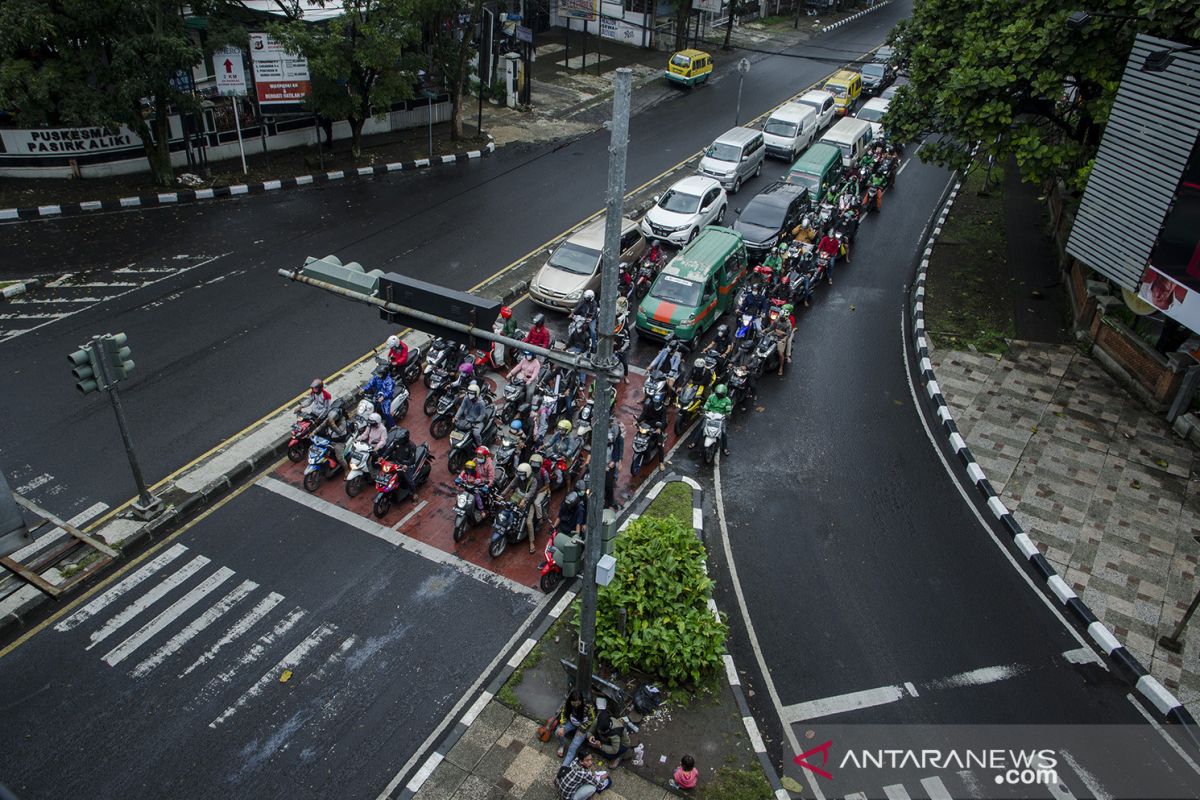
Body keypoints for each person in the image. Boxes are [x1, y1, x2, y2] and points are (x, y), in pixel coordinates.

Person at [555, 690, 596, 765]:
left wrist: (582, 729)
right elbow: (563, 713)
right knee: (558, 732)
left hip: (583, 727)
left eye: (578, 704)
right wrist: (562, 726)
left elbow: (592, 719)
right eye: (574, 704)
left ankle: (564, 767)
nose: (576, 706)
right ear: (570, 701)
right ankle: (562, 745)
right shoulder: (567, 704)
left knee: (572, 748)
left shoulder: (588, 706)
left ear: (581, 701)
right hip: (571, 723)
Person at [689, 385, 732, 456]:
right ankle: (694, 442)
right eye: (717, 394)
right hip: (710, 415)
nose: (718, 396)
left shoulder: (727, 400)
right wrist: (704, 411)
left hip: (720, 417)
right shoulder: (711, 397)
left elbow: (728, 411)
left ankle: (725, 447)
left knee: (723, 432)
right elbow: (706, 406)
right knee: (701, 428)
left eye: (720, 395)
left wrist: (727, 415)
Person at [454, 382, 489, 448]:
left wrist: (476, 422)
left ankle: (479, 446)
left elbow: (482, 415)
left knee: (476, 433)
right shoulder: (466, 398)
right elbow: (462, 407)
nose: (470, 395)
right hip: (467, 419)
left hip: (478, 422)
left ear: (477, 393)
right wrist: (456, 416)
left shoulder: (481, 403)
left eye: (472, 393)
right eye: (469, 392)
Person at [768, 304, 796, 376]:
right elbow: (771, 328)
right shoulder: (777, 319)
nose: (780, 318)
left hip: (781, 338)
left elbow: (788, 334)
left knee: (780, 353)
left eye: (782, 317)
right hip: (774, 334)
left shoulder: (789, 323)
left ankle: (781, 367)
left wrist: (784, 338)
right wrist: (764, 331)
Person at [604, 422, 624, 511]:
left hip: (609, 466)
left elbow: (617, 452)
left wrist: (614, 462)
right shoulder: (600, 444)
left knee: (609, 485)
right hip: (600, 465)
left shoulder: (615, 443)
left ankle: (609, 503)